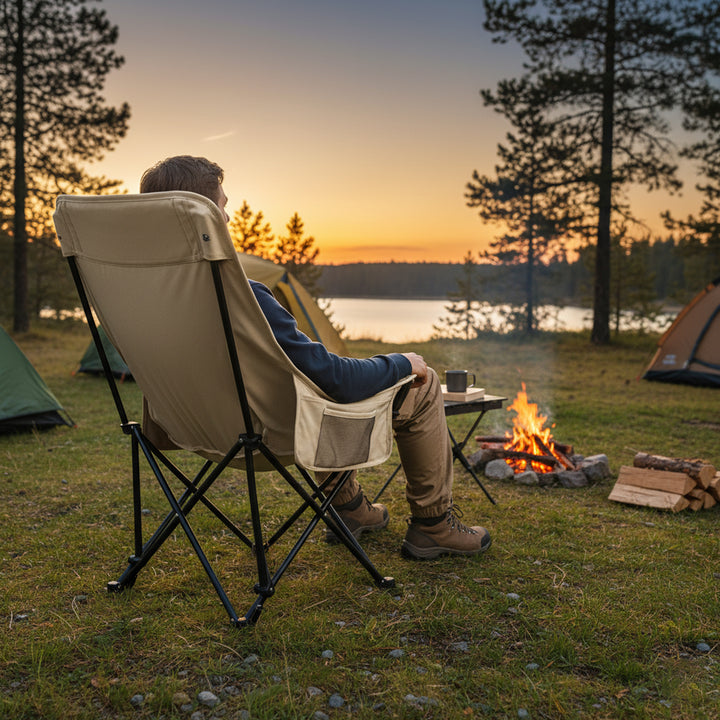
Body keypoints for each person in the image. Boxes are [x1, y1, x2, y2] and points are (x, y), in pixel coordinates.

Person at [139, 155, 492, 560]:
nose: (228, 219)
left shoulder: (146, 300)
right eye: (221, 208)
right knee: (423, 382)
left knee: (307, 386)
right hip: (273, 435)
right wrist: (401, 363)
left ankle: (350, 510)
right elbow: (333, 378)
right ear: (201, 219)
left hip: (189, 427)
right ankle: (434, 526)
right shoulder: (239, 293)